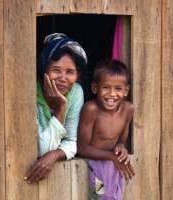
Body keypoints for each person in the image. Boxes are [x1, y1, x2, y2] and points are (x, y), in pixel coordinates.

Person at [24, 33, 87, 183]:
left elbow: (72, 141)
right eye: (56, 70)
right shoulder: (30, 91)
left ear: (78, 76)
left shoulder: (76, 92)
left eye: (70, 72)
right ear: (43, 70)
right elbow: (42, 150)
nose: (62, 78)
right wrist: (60, 110)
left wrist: (55, 155)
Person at [77, 59, 135, 200]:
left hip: (115, 167)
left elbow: (122, 139)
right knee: (99, 196)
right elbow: (82, 148)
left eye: (118, 89)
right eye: (106, 88)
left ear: (126, 91)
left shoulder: (128, 109)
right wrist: (111, 157)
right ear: (95, 88)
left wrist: (121, 146)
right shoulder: (91, 109)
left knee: (115, 196)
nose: (112, 94)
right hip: (94, 167)